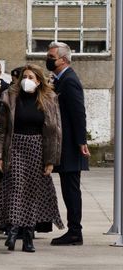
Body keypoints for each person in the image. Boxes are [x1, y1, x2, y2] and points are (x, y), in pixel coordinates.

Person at [0, 64, 64, 252]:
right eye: (25, 76)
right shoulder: (10, 97)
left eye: (31, 77)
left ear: (39, 80)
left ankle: (28, 236)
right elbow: (1, 130)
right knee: (16, 187)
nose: (27, 80)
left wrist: (51, 161)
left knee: (32, 192)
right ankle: (13, 230)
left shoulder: (49, 99)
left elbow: (55, 132)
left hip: (37, 149)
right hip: (15, 146)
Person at [46, 41, 90, 246]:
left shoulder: (70, 80)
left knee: (71, 189)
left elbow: (78, 112)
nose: (48, 59)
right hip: (65, 143)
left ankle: (75, 232)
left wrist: (81, 141)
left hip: (71, 145)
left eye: (51, 56)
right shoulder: (60, 79)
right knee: (67, 188)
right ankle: (73, 230)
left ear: (63, 59)